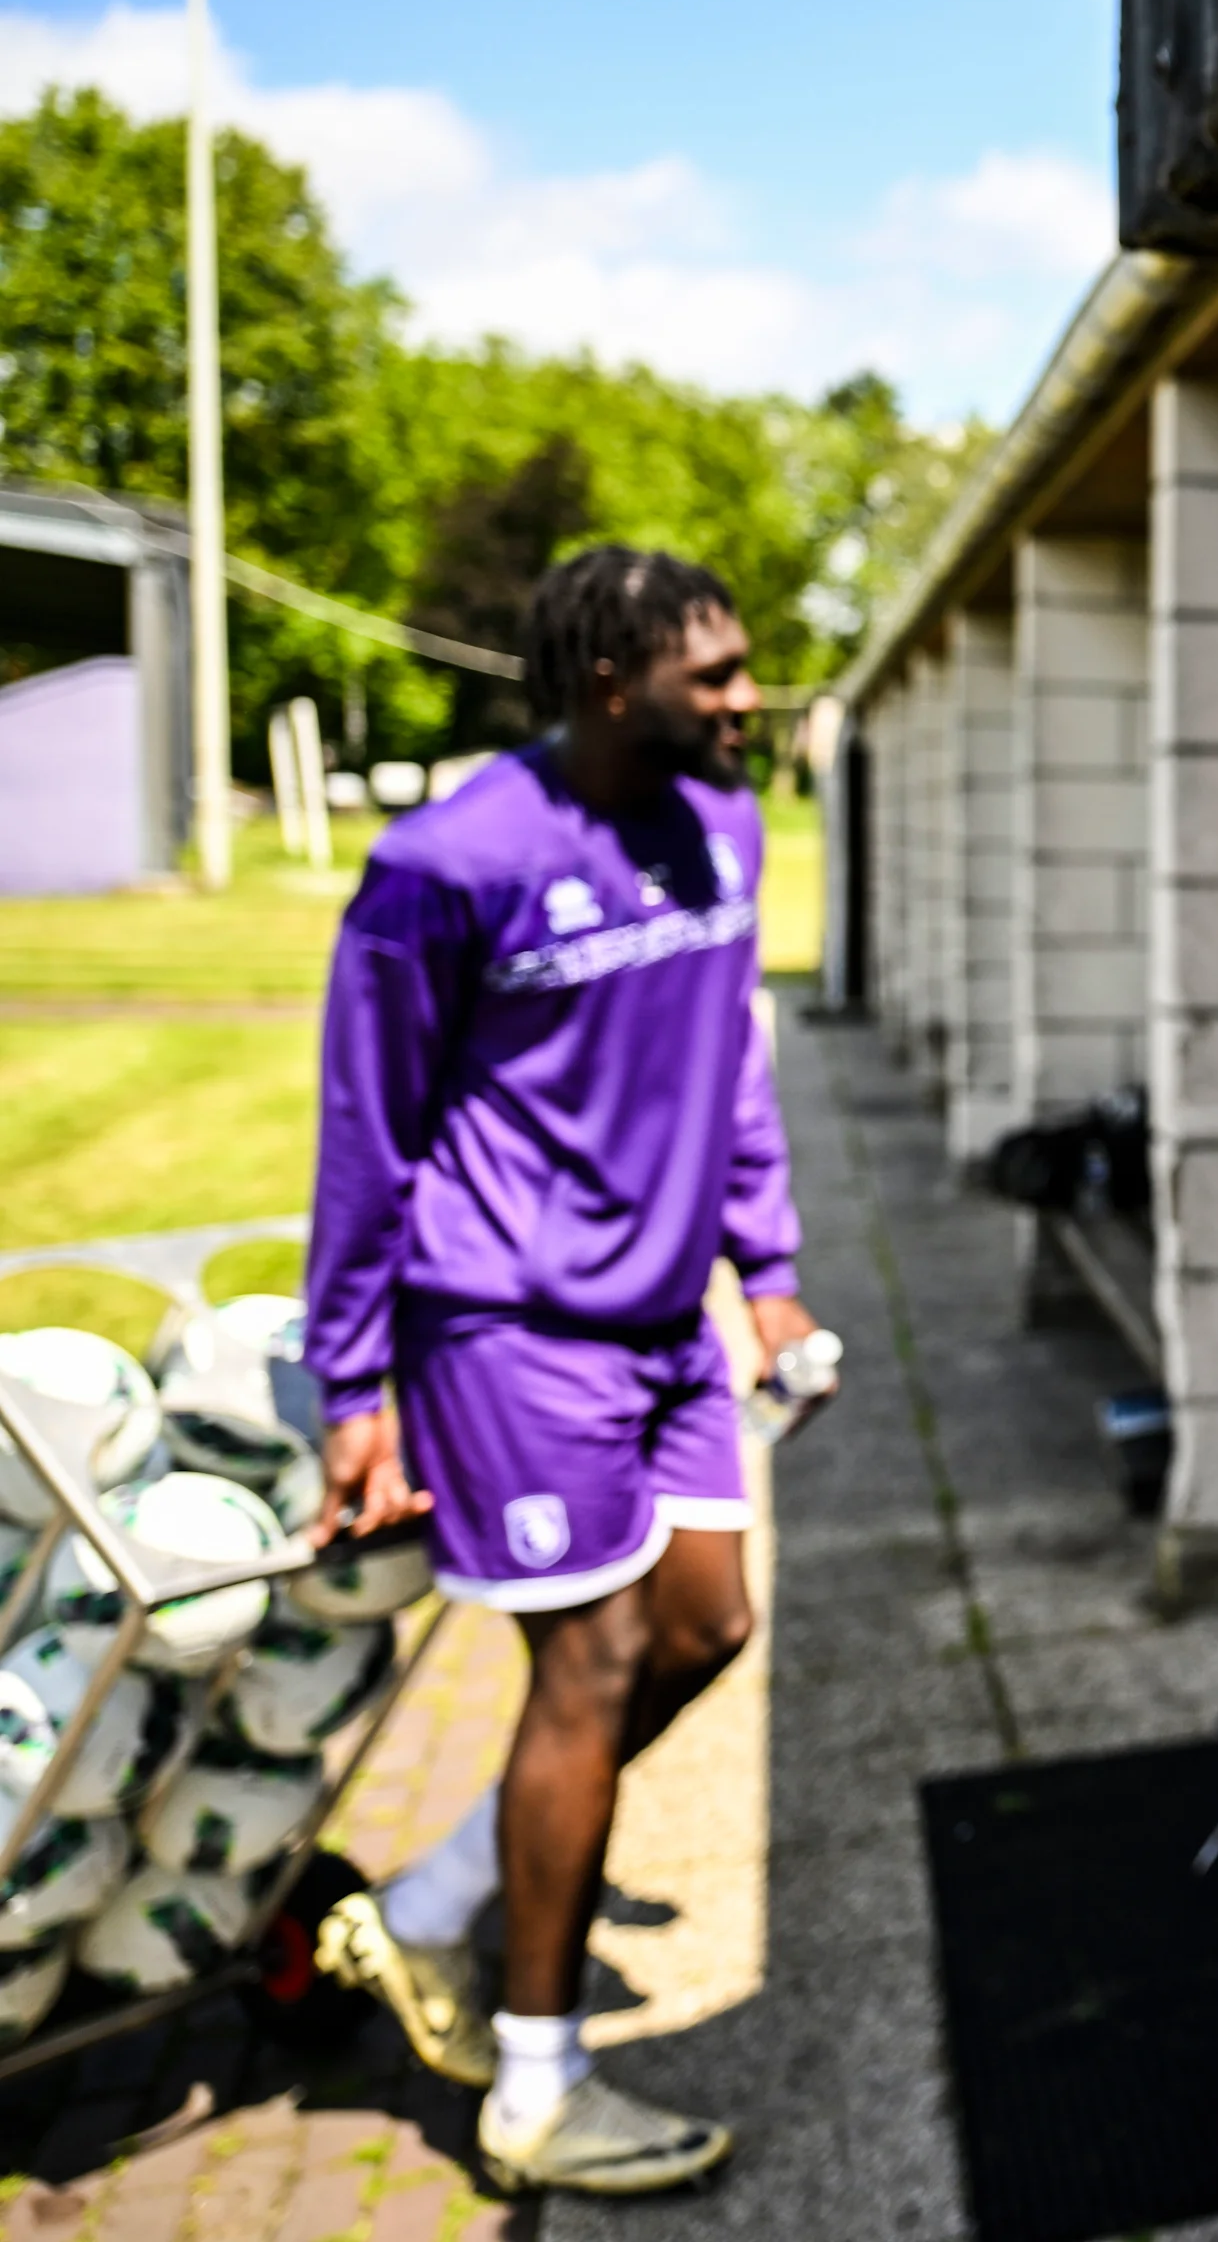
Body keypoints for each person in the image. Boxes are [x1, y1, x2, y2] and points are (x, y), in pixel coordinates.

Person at [296, 545, 821, 2195]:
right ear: (612, 683)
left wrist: (775, 1273)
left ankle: (440, 1904)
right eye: (716, 674)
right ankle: (533, 2091)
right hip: (507, 1330)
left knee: (711, 1626)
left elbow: (727, 1066)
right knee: (587, 1667)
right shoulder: (445, 867)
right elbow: (365, 1136)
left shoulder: (721, 827)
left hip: (669, 1327)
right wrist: (354, 1389)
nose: (749, 699)